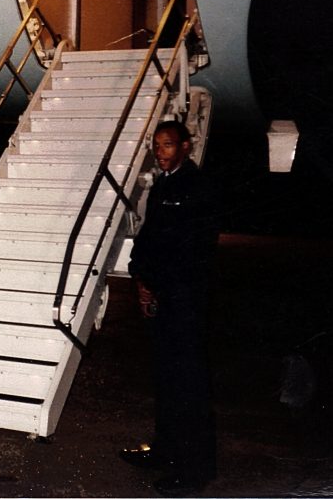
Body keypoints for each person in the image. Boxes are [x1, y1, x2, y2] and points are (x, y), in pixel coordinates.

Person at [122, 120, 219, 496]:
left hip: (186, 300)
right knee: (166, 380)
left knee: (189, 386)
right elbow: (149, 237)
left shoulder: (197, 187)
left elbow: (190, 249)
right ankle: (164, 451)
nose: (160, 152)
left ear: (185, 146)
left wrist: (158, 284)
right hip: (163, 296)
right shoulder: (164, 184)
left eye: (167, 145)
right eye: (157, 146)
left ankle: (195, 471)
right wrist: (141, 279)